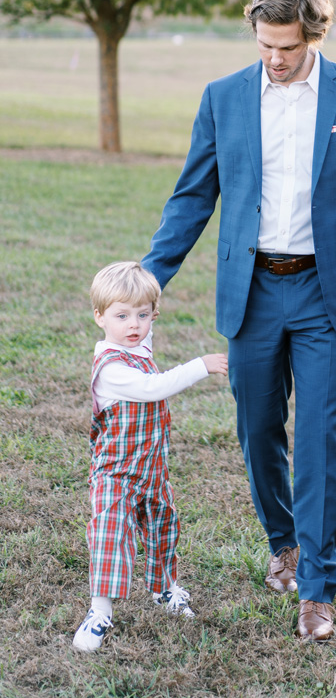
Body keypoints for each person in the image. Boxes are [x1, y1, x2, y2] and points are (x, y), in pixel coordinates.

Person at [143, 0, 336, 643]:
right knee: (258, 430)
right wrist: (152, 274)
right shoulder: (223, 98)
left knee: (321, 439)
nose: (275, 60)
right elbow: (193, 196)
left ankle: (318, 586)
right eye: (265, 46)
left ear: (314, 35)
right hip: (250, 291)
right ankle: (284, 544)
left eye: (288, 47)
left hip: (324, 294)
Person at [73, 261, 228, 652]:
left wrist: (148, 298)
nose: (134, 325)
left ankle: (163, 588)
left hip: (151, 468)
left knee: (163, 529)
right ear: (99, 318)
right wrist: (200, 366)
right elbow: (155, 387)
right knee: (112, 535)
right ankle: (100, 611)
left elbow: (144, 319)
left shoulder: (138, 343)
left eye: (144, 315)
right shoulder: (112, 367)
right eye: (122, 315)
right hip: (116, 472)